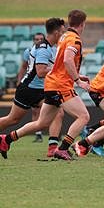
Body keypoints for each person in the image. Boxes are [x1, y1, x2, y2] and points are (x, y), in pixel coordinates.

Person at [0, 10, 90, 160]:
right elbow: (67, 61)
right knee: (84, 116)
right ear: (82, 24)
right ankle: (62, 149)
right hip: (58, 86)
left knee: (42, 123)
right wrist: (77, 80)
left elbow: (60, 64)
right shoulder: (74, 39)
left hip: (50, 85)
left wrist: (76, 75)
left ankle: (6, 139)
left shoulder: (64, 37)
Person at [0, 18, 65, 159]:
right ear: (56, 32)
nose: (63, 33)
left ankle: (53, 148)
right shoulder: (43, 48)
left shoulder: (53, 47)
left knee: (58, 112)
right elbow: (41, 72)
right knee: (13, 119)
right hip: (29, 89)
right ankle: (5, 139)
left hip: (41, 90)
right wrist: (58, 69)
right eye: (62, 31)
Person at [17, 32, 45, 143]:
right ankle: (39, 134)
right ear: (33, 40)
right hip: (31, 87)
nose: (38, 41)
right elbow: (23, 67)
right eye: (36, 39)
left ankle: (54, 138)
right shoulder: (28, 52)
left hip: (45, 87)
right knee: (15, 118)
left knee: (56, 111)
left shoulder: (48, 51)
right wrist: (19, 82)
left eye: (41, 39)